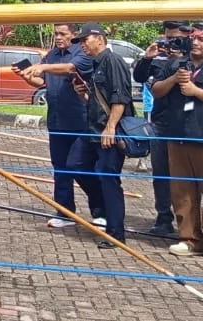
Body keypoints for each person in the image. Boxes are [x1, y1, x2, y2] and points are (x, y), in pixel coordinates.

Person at [150, 21, 203, 262]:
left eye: (202, 39)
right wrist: (174, 79)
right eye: (193, 38)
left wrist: (196, 91)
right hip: (177, 137)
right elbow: (156, 90)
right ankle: (189, 239)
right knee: (182, 193)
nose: (196, 43)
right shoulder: (174, 65)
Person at [20, 22, 101, 229]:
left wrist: (42, 67)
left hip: (80, 122)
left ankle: (101, 210)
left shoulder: (81, 53)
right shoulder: (51, 55)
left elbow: (70, 68)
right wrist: (27, 77)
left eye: (63, 33)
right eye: (56, 33)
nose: (58, 37)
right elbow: (42, 82)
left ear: (73, 34)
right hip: (56, 121)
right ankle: (64, 212)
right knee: (61, 169)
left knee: (81, 167)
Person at [70, 23, 134, 248]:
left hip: (108, 132)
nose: (82, 45)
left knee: (110, 180)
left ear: (99, 38)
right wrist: (83, 95)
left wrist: (111, 128)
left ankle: (116, 234)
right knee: (75, 164)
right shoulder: (96, 64)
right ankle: (101, 208)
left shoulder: (113, 61)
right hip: (93, 130)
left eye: (85, 40)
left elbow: (120, 98)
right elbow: (100, 102)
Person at [131, 20, 189, 235]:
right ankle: (163, 216)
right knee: (161, 173)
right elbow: (139, 77)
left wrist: (183, 55)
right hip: (161, 123)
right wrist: (148, 58)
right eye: (167, 38)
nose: (170, 43)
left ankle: (188, 220)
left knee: (185, 175)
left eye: (176, 39)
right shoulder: (159, 59)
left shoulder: (193, 58)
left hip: (187, 124)